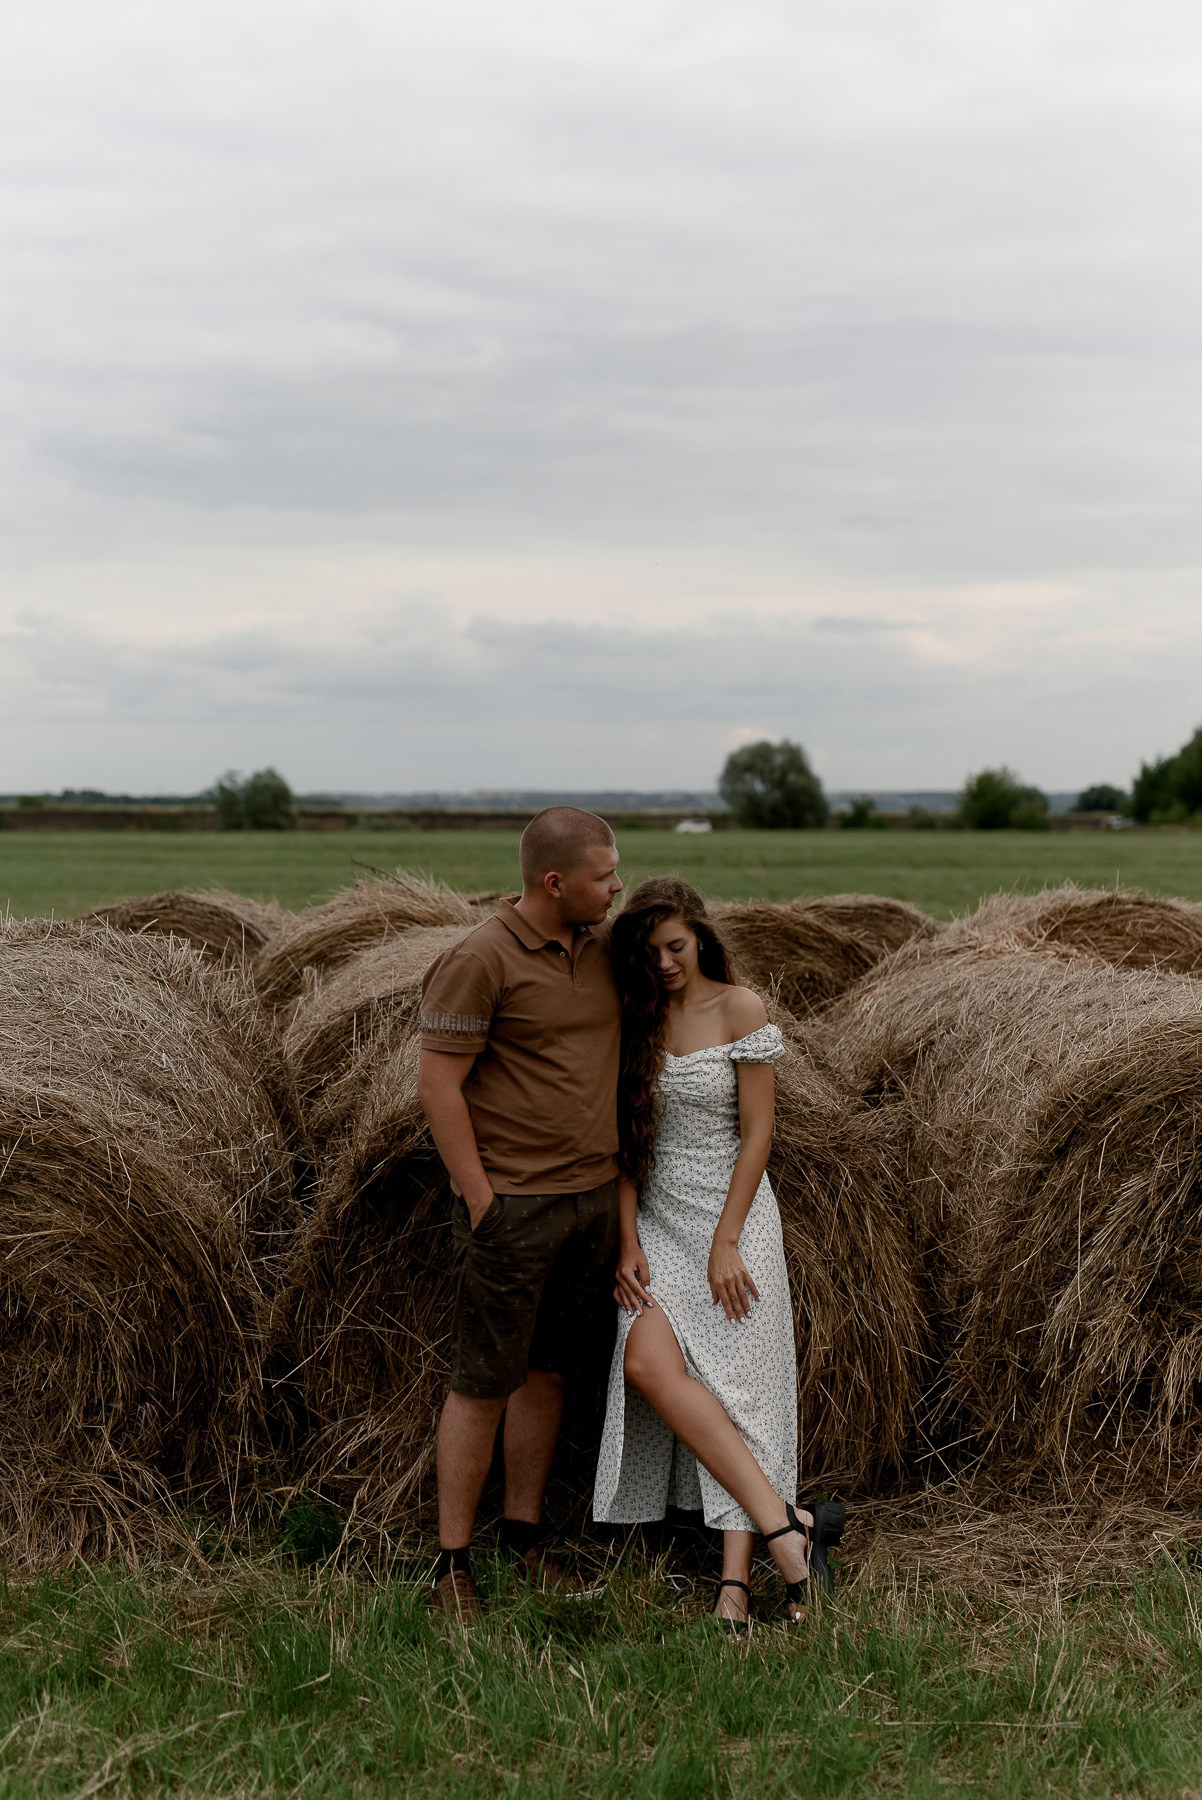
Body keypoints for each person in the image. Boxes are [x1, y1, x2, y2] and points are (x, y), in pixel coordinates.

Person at [593, 877, 845, 1629]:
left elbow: (758, 1134)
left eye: (675, 946)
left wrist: (727, 1240)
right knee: (647, 1364)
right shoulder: (636, 1018)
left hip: (733, 1222)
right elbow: (625, 1148)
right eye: (650, 952)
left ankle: (734, 1585)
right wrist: (628, 1240)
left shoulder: (742, 1008)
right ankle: (788, 1529)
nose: (665, 963)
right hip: (659, 1221)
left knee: (740, 1391)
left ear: (700, 935)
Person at [418, 806, 624, 1623]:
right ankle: (451, 1566)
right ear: (555, 882)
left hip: (595, 1201)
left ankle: (524, 1542)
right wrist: (482, 1200)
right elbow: (439, 1086)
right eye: (605, 875)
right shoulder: (479, 958)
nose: (617, 886)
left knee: (547, 1375)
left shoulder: (605, 948)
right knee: (483, 1381)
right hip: (517, 1207)